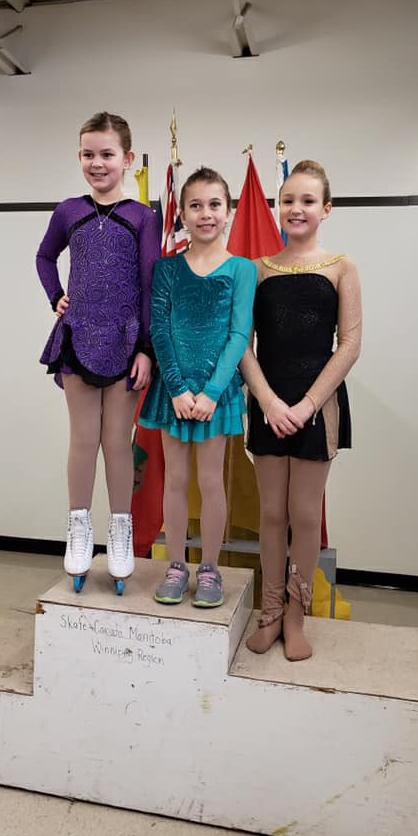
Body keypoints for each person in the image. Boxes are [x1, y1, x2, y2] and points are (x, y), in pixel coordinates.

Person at [240, 160, 362, 659]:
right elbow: (242, 344)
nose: (297, 208)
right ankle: (270, 611)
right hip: (268, 403)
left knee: (304, 514)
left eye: (308, 201)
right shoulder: (257, 270)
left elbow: (349, 344)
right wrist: (269, 401)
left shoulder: (342, 267)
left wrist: (309, 403)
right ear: (277, 206)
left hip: (319, 406)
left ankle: (296, 614)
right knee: (272, 513)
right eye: (288, 200)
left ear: (326, 209)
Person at [35, 112, 160, 591]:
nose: (97, 163)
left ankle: (121, 531)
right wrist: (56, 295)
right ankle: (79, 528)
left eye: (107, 154)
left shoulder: (142, 217)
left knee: (117, 442)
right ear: (79, 157)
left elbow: (149, 284)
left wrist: (145, 348)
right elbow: (45, 256)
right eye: (88, 154)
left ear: (127, 159)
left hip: (126, 341)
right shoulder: (69, 211)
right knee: (83, 440)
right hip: (78, 337)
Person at [139, 167, 257, 608]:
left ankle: (209, 568)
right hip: (173, 392)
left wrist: (210, 392)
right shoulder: (167, 268)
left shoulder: (242, 269)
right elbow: (160, 329)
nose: (205, 214)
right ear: (183, 215)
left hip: (215, 394)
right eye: (195, 206)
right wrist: (176, 388)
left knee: (210, 482)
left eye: (214, 205)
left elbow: (239, 335)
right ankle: (175, 565)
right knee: (175, 479)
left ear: (228, 212)